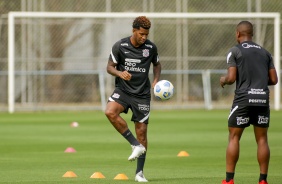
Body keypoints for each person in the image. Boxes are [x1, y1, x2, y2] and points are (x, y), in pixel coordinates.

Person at [220, 21, 278, 184]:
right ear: (251, 34)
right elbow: (274, 80)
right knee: (262, 139)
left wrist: (223, 80)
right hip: (262, 99)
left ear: (238, 34)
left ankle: (229, 180)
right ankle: (263, 180)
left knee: (234, 137)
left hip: (243, 99)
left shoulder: (235, 51)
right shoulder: (265, 53)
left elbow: (231, 78)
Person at [104, 16, 161, 182]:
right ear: (134, 31)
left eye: (146, 34)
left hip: (142, 94)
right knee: (109, 112)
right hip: (123, 90)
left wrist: (156, 80)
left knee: (142, 132)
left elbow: (157, 64)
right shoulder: (120, 46)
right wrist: (120, 73)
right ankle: (134, 144)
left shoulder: (151, 47)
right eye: (141, 34)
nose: (144, 37)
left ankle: (139, 173)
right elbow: (109, 67)